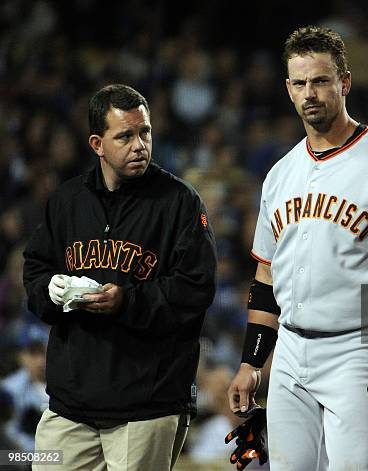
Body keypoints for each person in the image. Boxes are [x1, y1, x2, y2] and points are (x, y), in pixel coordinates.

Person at [226, 26, 368, 470]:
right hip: (291, 352)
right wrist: (251, 362)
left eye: (320, 80)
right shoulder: (280, 173)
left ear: (345, 82)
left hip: (357, 348)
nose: (309, 93)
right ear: (288, 88)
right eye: (300, 83)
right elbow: (265, 277)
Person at [22, 84, 217, 470]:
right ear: (97, 144)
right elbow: (34, 272)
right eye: (125, 136)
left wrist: (126, 301)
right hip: (70, 403)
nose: (140, 145)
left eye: (144, 132)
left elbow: (196, 288)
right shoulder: (67, 201)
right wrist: (50, 290)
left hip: (147, 405)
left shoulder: (179, 202)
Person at [1, 323, 49, 451]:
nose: (40, 360)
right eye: (33, 353)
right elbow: (8, 435)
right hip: (22, 459)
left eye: (44, 352)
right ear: (21, 356)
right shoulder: (9, 389)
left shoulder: (64, 386)